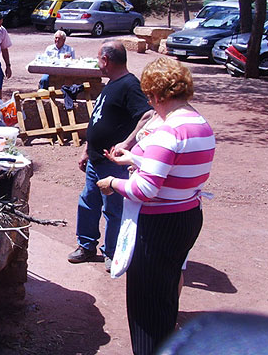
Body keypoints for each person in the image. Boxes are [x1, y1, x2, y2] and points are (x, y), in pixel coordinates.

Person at [97, 56, 215, 355]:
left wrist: (113, 183)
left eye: (150, 97)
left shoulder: (167, 130)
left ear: (158, 95)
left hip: (157, 227)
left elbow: (145, 189)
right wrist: (136, 159)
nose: (150, 104)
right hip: (187, 215)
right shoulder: (199, 123)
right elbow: (176, 166)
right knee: (165, 297)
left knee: (146, 308)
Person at [68, 40, 152, 269]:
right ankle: (86, 246)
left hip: (113, 163)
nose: (98, 64)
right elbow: (98, 119)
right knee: (88, 202)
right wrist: (86, 148)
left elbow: (147, 115)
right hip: (96, 160)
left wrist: (126, 143)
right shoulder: (111, 83)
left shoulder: (129, 85)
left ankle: (113, 252)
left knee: (113, 208)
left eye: (98, 59)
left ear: (106, 60)